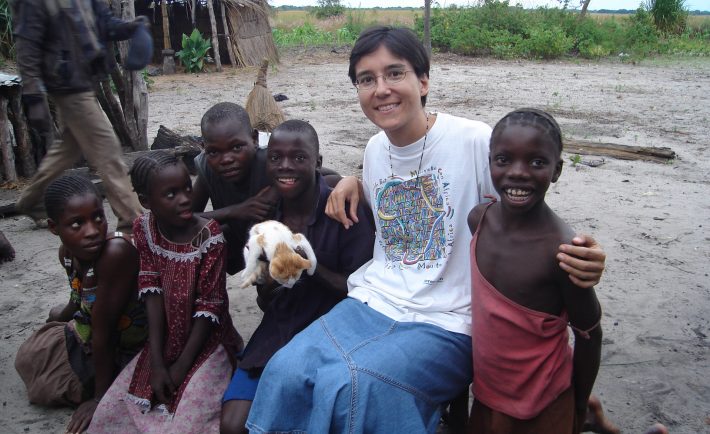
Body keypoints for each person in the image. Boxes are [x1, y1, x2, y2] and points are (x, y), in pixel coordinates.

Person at [246, 26, 607, 434]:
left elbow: (527, 205)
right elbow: (390, 188)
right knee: (286, 368)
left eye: (394, 73)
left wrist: (580, 252)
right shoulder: (374, 150)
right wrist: (354, 180)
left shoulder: (473, 141)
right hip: (374, 299)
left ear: (423, 81)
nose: (381, 89)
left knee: (354, 387)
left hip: (451, 318)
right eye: (367, 79)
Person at [220, 120, 375, 434]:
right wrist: (268, 278)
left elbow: (362, 293)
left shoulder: (345, 211)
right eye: (276, 158)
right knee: (234, 424)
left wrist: (311, 267)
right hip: (280, 328)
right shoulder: (268, 216)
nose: (285, 166)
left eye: (298, 157)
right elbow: (267, 303)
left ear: (317, 162)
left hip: (337, 332)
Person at [466, 108, 603, 433]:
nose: (518, 173)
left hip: (544, 400)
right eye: (503, 160)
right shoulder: (479, 220)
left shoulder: (563, 252)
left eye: (537, 162)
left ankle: (589, 413)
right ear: (489, 162)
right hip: (489, 390)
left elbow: (590, 333)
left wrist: (577, 405)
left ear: (557, 171)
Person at [89, 152, 242, 432]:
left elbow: (210, 307)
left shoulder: (209, 236)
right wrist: (157, 361)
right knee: (108, 417)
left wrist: (181, 366)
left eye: (186, 188)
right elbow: (152, 293)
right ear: (146, 201)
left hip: (207, 342)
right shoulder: (144, 228)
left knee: (186, 421)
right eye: (171, 194)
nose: (184, 199)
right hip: (166, 339)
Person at [14, 174, 147, 434]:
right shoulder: (67, 254)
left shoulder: (116, 253)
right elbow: (77, 300)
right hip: (95, 330)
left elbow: (104, 333)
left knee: (49, 384)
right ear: (54, 228)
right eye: (77, 224)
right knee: (32, 353)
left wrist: (99, 399)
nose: (92, 231)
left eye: (98, 218)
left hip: (132, 345)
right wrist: (57, 318)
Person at [11, 0, 146, 230]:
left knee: (68, 148)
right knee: (107, 148)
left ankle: (31, 200)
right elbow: (28, 44)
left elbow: (104, 23)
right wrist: (33, 94)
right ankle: (132, 219)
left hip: (82, 80)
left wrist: (129, 27)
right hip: (68, 86)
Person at [193, 102, 342, 275]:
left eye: (237, 147)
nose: (226, 159)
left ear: (254, 139)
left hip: (284, 242)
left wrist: (276, 190)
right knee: (192, 238)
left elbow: (330, 176)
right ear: (203, 148)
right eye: (213, 152)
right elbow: (183, 219)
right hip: (241, 238)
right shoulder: (207, 169)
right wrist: (237, 211)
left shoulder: (270, 162)